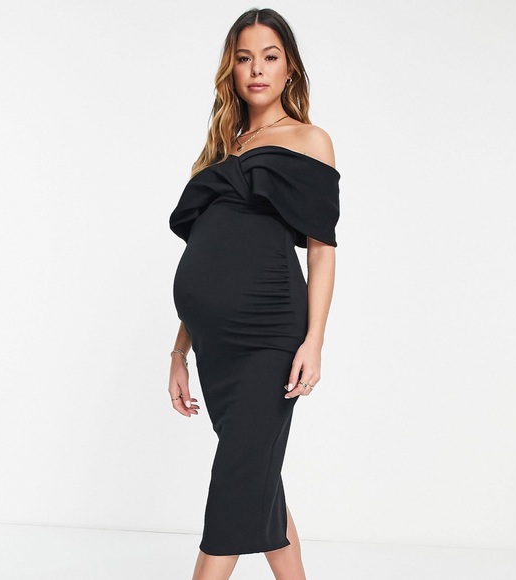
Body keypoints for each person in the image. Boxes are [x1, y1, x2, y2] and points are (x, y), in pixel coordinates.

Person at [168, 8, 340, 580]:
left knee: (236, 479)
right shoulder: (224, 147)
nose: (257, 69)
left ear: (290, 68)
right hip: (215, 348)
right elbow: (206, 253)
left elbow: (321, 250)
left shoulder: (310, 140)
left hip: (270, 335)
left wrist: (314, 341)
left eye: (270, 57)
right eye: (244, 58)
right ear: (232, 69)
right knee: (257, 478)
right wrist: (180, 350)